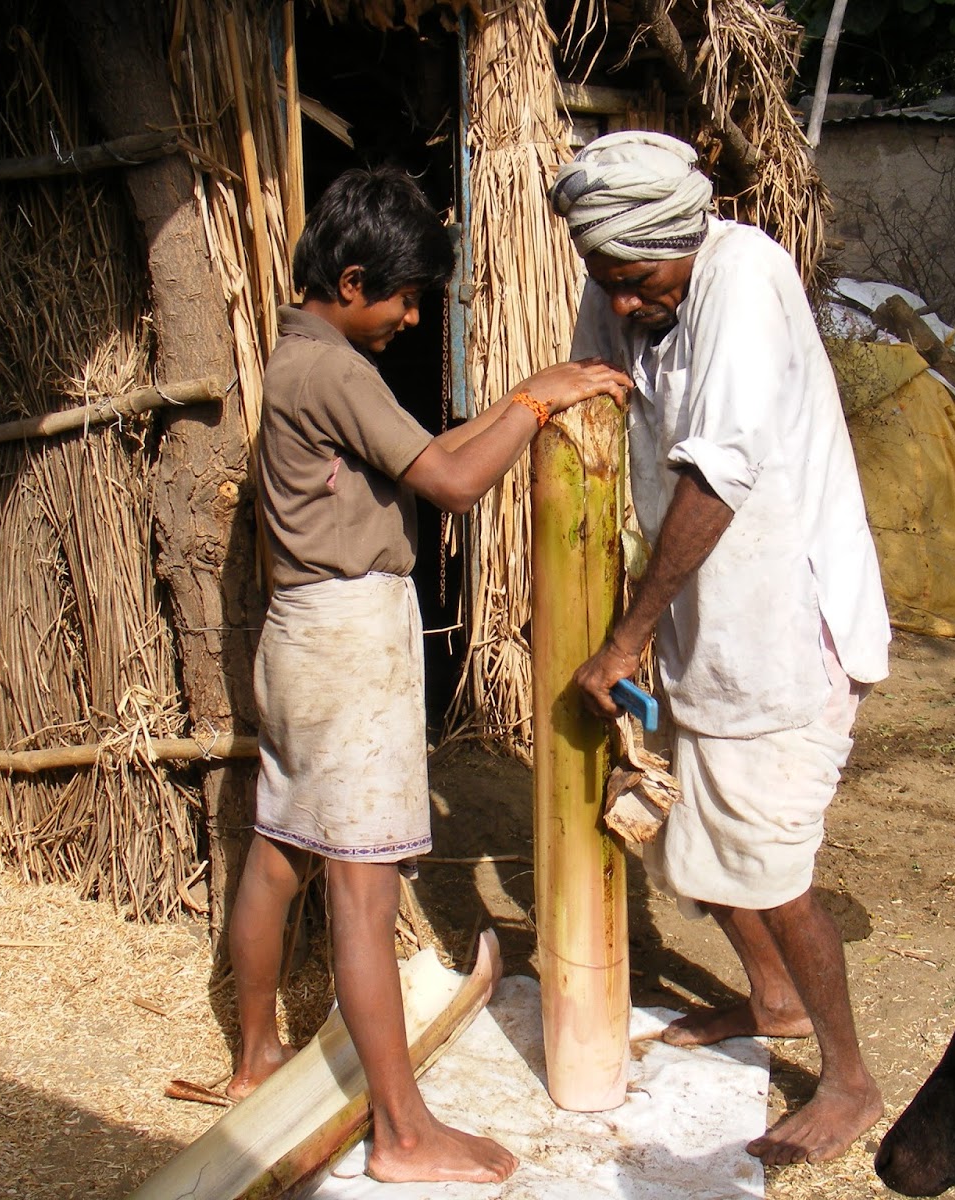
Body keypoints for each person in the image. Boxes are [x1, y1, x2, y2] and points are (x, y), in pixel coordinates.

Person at [226, 165, 630, 1185]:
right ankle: (402, 1135)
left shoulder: (302, 359)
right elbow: (452, 481)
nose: (412, 317)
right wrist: (536, 403)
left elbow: (425, 452)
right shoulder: (335, 371)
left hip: (300, 638)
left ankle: (253, 1058)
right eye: (405, 297)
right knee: (361, 893)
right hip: (348, 644)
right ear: (353, 280)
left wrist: (512, 403)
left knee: (281, 846)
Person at [550, 131, 892, 1165]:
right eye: (602, 280)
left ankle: (849, 1080)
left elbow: (716, 477)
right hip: (704, 629)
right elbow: (595, 392)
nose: (621, 300)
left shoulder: (745, 280)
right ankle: (774, 1001)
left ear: (681, 237)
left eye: (636, 279)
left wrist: (625, 634)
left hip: (785, 634)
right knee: (699, 847)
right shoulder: (622, 281)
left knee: (771, 867)